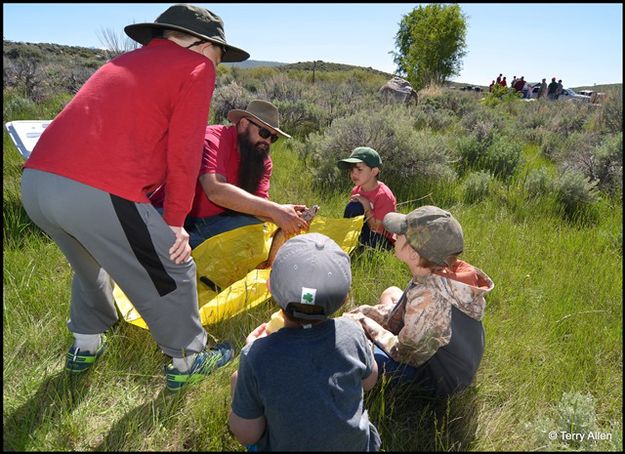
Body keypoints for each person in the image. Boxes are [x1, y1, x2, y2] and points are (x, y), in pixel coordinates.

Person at [20, 4, 250, 392]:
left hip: (38, 182)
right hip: (95, 187)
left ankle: (85, 346)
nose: (219, 62)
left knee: (92, 264)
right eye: (219, 52)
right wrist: (175, 222)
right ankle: (187, 360)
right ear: (199, 43)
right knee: (174, 268)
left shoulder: (128, 62)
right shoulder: (195, 68)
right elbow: (185, 151)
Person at [228, 233, 382, 451]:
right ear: (344, 299)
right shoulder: (352, 332)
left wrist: (252, 350)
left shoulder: (256, 355)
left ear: (270, 286)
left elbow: (247, 434)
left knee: (238, 380)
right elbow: (369, 381)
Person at [344, 206, 495, 397]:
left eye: (401, 234)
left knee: (353, 343)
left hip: (435, 379)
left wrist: (363, 322)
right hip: (431, 351)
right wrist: (366, 316)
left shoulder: (430, 299)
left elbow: (406, 353)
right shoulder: (438, 274)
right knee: (391, 292)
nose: (395, 235)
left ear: (414, 254)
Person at [151, 100, 309, 249]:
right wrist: (275, 211)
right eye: (264, 132)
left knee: (255, 228)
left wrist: (289, 216)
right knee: (168, 240)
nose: (267, 142)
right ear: (244, 124)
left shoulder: (262, 161)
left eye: (273, 138)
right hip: (169, 213)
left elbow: (259, 207)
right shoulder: (213, 140)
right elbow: (215, 190)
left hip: (212, 222)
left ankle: (195, 247)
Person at [338, 147, 397, 251]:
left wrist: (367, 206)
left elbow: (377, 229)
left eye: (359, 169)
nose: (354, 174)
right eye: (352, 170)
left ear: (374, 171)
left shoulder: (383, 195)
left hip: (382, 239)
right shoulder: (356, 190)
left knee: (373, 243)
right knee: (353, 206)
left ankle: (361, 248)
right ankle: (351, 244)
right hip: (364, 232)